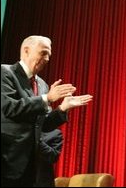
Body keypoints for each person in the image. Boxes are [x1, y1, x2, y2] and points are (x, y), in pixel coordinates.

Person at [1, 35, 93, 187]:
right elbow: (10, 108)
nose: (47, 59)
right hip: (7, 159)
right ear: (26, 50)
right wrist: (47, 98)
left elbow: (43, 125)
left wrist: (63, 108)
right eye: (43, 53)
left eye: (49, 55)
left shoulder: (42, 84)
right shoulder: (5, 73)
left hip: (32, 164)